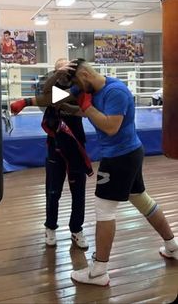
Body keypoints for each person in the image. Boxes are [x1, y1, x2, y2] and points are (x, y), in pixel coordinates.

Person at [64, 59, 178, 286]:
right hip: (128, 154)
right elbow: (55, 97)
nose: (75, 88)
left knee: (104, 208)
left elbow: (110, 126)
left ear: (85, 74)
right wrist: (53, 82)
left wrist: (87, 108)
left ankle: (99, 271)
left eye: (76, 81)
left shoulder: (117, 91)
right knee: (142, 200)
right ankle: (173, 247)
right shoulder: (86, 87)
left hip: (120, 158)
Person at [11, 59, 93, 249]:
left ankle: (77, 229)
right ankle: (50, 227)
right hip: (55, 146)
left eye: (69, 69)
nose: (66, 72)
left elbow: (82, 111)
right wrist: (57, 74)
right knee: (53, 191)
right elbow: (45, 94)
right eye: (61, 69)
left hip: (76, 145)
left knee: (78, 192)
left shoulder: (78, 87)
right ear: (55, 72)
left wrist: (63, 106)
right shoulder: (49, 88)